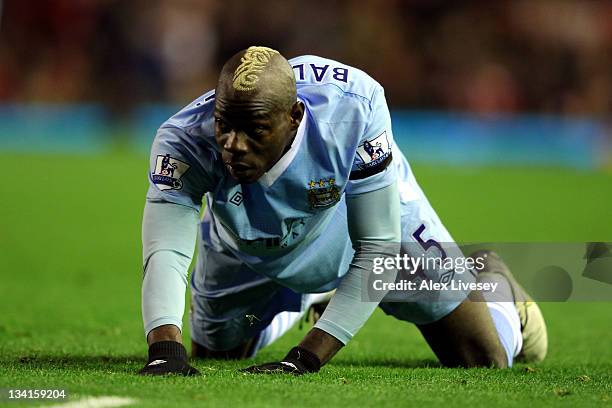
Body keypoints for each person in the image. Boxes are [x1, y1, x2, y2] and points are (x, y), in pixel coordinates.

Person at [138, 46, 547, 376]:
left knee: (483, 358)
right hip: (251, 239)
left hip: (366, 218)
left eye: (255, 130)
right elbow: (166, 251)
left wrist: (306, 356)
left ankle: (492, 279)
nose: (233, 144)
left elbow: (378, 247)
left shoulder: (355, 108)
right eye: (225, 124)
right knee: (216, 353)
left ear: (295, 117)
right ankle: (307, 295)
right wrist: (164, 347)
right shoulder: (183, 139)